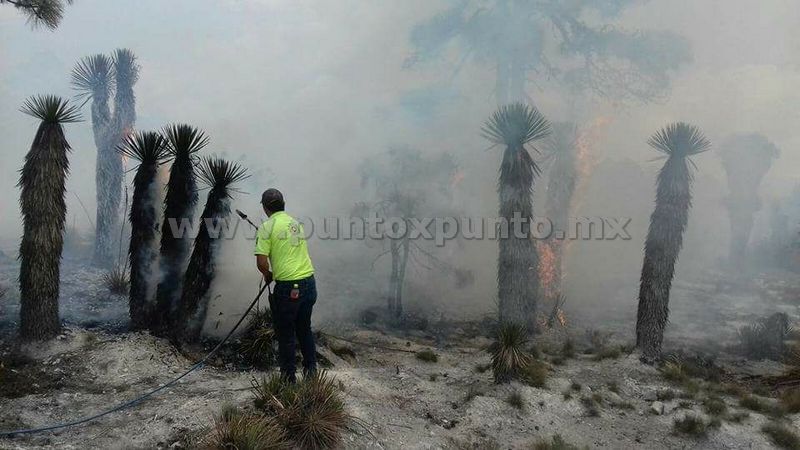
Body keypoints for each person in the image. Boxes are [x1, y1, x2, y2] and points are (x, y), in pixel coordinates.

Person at [254, 188, 317, 382]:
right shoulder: (296, 224)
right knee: (304, 329)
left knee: (286, 334)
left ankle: (288, 381)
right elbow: (291, 251)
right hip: (309, 283)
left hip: (288, 288)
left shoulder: (266, 227)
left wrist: (267, 274)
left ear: (265, 208)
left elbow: (261, 262)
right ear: (283, 204)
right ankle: (311, 374)